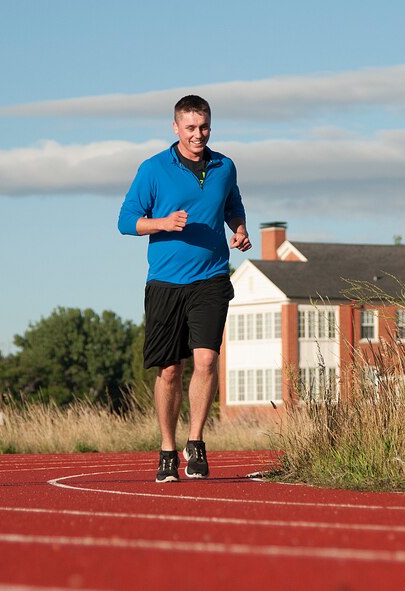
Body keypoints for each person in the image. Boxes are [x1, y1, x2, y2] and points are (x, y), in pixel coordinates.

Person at [118, 95, 251, 483]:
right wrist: (162, 223)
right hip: (165, 283)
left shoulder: (224, 166)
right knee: (170, 369)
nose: (198, 134)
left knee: (207, 360)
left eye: (204, 127)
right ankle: (166, 449)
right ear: (175, 128)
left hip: (210, 278)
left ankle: (195, 442)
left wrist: (239, 229)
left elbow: (233, 206)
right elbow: (126, 221)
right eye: (190, 128)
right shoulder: (153, 169)